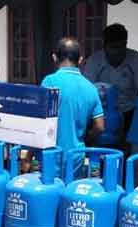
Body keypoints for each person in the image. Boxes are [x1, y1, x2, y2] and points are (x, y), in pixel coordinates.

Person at [41, 37, 105, 177]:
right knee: (72, 190)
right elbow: (100, 126)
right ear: (80, 60)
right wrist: (86, 135)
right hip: (76, 156)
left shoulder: (49, 82)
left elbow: (39, 120)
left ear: (54, 58)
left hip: (52, 154)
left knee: (51, 190)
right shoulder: (91, 88)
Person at [83, 23, 138, 152]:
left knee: (126, 152)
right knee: (100, 152)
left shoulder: (134, 58)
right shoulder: (94, 60)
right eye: (114, 47)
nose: (118, 51)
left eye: (122, 46)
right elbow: (86, 92)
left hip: (129, 112)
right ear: (105, 46)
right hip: (100, 114)